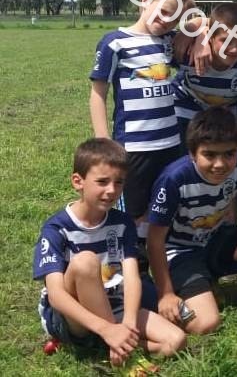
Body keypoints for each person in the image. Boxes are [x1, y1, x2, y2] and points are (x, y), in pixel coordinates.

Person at [33, 138, 186, 366]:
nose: (112, 190)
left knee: (176, 340)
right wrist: (108, 328)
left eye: (119, 182)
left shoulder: (123, 223)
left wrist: (129, 324)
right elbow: (56, 296)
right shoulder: (56, 228)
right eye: (102, 182)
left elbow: (132, 278)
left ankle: (113, 346)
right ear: (78, 181)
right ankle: (107, 340)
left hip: (115, 303)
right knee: (85, 261)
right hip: (72, 318)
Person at [146, 106, 237, 335]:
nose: (220, 164)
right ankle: (173, 292)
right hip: (180, 251)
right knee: (205, 323)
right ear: (192, 153)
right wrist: (165, 293)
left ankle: (208, 275)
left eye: (228, 154)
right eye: (209, 155)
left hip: (216, 236)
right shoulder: (174, 178)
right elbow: (154, 241)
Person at [89, 0, 194, 225]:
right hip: (134, 147)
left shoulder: (169, 41)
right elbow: (97, 94)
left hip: (171, 144)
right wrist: (104, 142)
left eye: (174, 19)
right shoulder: (114, 42)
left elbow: (205, 27)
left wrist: (198, 23)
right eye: (164, 11)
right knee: (133, 214)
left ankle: (160, 246)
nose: (166, 21)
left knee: (166, 207)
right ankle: (134, 249)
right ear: (146, 0)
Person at [171, 2, 237, 150]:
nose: (234, 49)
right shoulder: (191, 52)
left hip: (224, 118)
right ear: (211, 37)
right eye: (226, 40)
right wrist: (193, 29)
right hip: (186, 113)